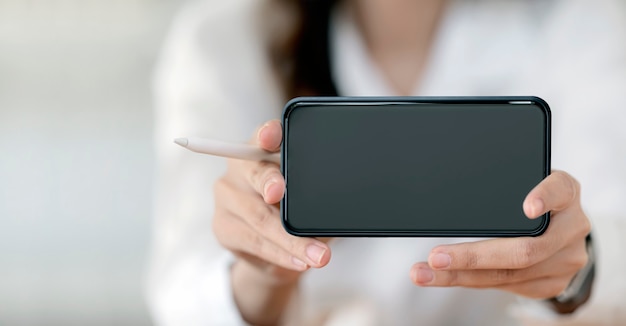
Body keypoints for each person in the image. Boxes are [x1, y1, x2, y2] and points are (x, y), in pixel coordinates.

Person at [148, 0, 626, 325]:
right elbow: (184, 296)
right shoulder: (226, 37)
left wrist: (581, 264)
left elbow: (613, 234)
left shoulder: (580, 19)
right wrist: (260, 272)